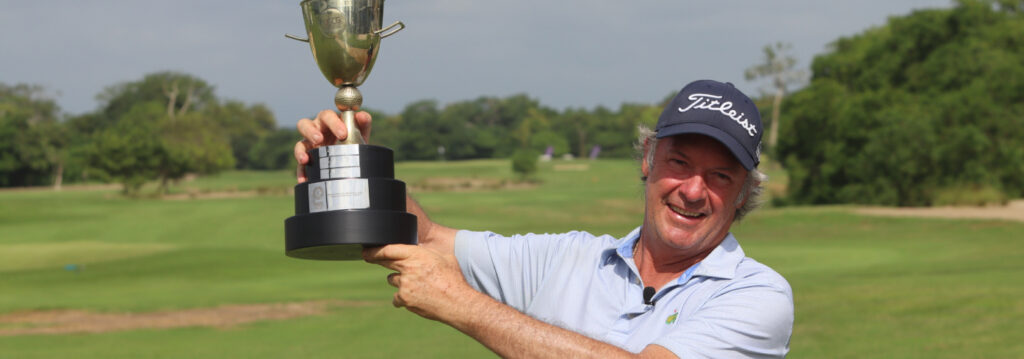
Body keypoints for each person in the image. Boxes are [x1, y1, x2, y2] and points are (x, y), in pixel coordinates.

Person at [294, 79, 793, 358]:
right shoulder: (570, 257)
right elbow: (427, 238)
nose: (692, 190)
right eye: (679, 163)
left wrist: (461, 304)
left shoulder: (756, 296)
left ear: (744, 192)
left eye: (720, 176)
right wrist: (348, 168)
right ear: (648, 159)